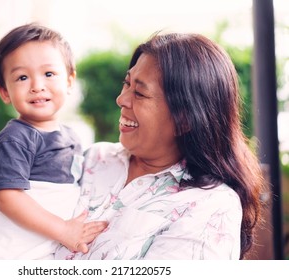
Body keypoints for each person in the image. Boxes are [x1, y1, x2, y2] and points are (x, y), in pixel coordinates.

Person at [54, 31, 265, 260]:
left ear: (184, 119)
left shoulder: (210, 206)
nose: (121, 99)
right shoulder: (94, 157)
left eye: (140, 93)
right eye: (127, 83)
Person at [0, 23, 107, 260]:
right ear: (4, 92)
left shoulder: (72, 137)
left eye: (49, 74)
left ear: (69, 80)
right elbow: (8, 198)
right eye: (22, 77)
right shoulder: (14, 140)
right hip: (11, 258)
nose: (37, 86)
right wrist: (64, 230)